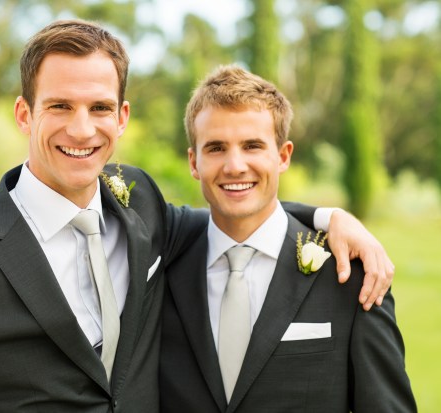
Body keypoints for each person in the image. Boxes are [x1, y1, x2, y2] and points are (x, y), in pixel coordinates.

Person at [0, 20, 393, 412]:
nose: (81, 129)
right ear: (24, 113)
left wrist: (329, 217)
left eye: (99, 108)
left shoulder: (139, 203)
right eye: (59, 107)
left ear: (121, 118)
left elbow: (232, 206)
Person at [159, 65, 416, 412]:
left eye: (252, 146)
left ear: (283, 156)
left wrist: (331, 216)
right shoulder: (161, 268)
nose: (235, 166)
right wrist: (329, 214)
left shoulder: (352, 275)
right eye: (216, 148)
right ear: (194, 161)